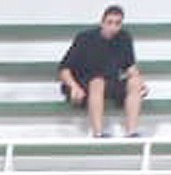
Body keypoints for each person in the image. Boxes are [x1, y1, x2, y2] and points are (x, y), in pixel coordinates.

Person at [59, 6, 145, 139]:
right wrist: (74, 87)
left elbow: (130, 67)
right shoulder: (85, 39)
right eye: (109, 22)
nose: (113, 27)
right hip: (84, 82)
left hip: (109, 81)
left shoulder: (124, 38)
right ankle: (98, 133)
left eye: (117, 23)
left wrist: (140, 83)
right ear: (102, 22)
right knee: (97, 82)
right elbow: (64, 69)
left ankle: (132, 131)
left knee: (135, 82)